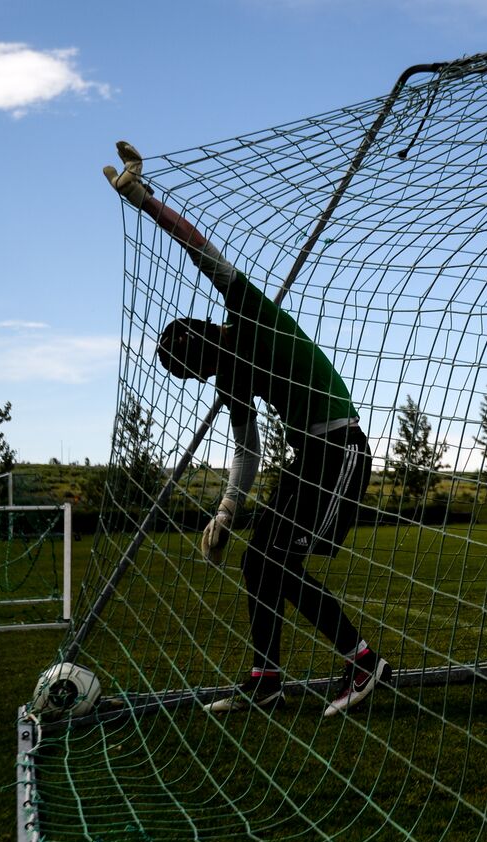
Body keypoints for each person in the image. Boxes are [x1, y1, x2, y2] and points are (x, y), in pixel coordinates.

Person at [103, 141, 390, 716]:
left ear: (209, 331)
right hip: (306, 457)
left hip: (340, 448)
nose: (208, 372)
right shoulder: (230, 374)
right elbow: (248, 448)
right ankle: (266, 681)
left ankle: (363, 664)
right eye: (199, 371)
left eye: (202, 361)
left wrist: (142, 199)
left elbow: (198, 248)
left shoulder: (250, 312)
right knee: (258, 560)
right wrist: (227, 511)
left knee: (280, 560)